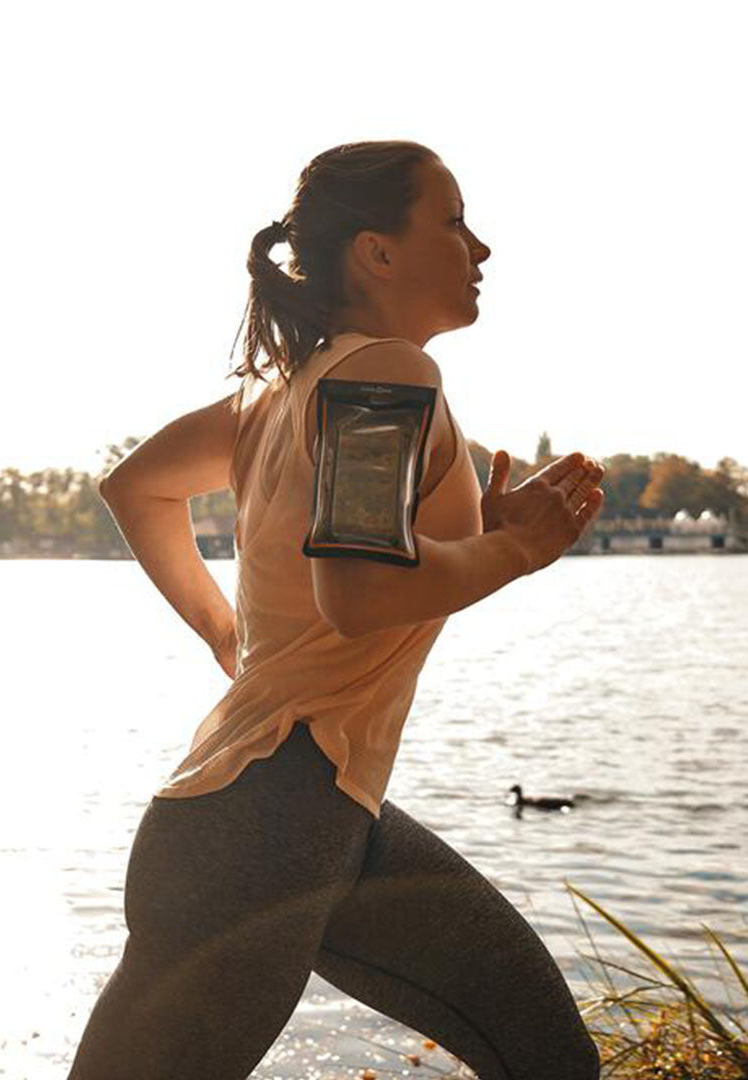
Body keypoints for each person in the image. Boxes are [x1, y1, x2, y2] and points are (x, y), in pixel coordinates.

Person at [68, 139, 606, 1080]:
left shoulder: (281, 398)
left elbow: (137, 488)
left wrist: (230, 635)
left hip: (319, 814)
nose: (481, 250)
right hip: (262, 826)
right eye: (453, 221)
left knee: (549, 1056)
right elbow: (357, 590)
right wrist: (513, 548)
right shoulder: (386, 374)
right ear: (378, 252)